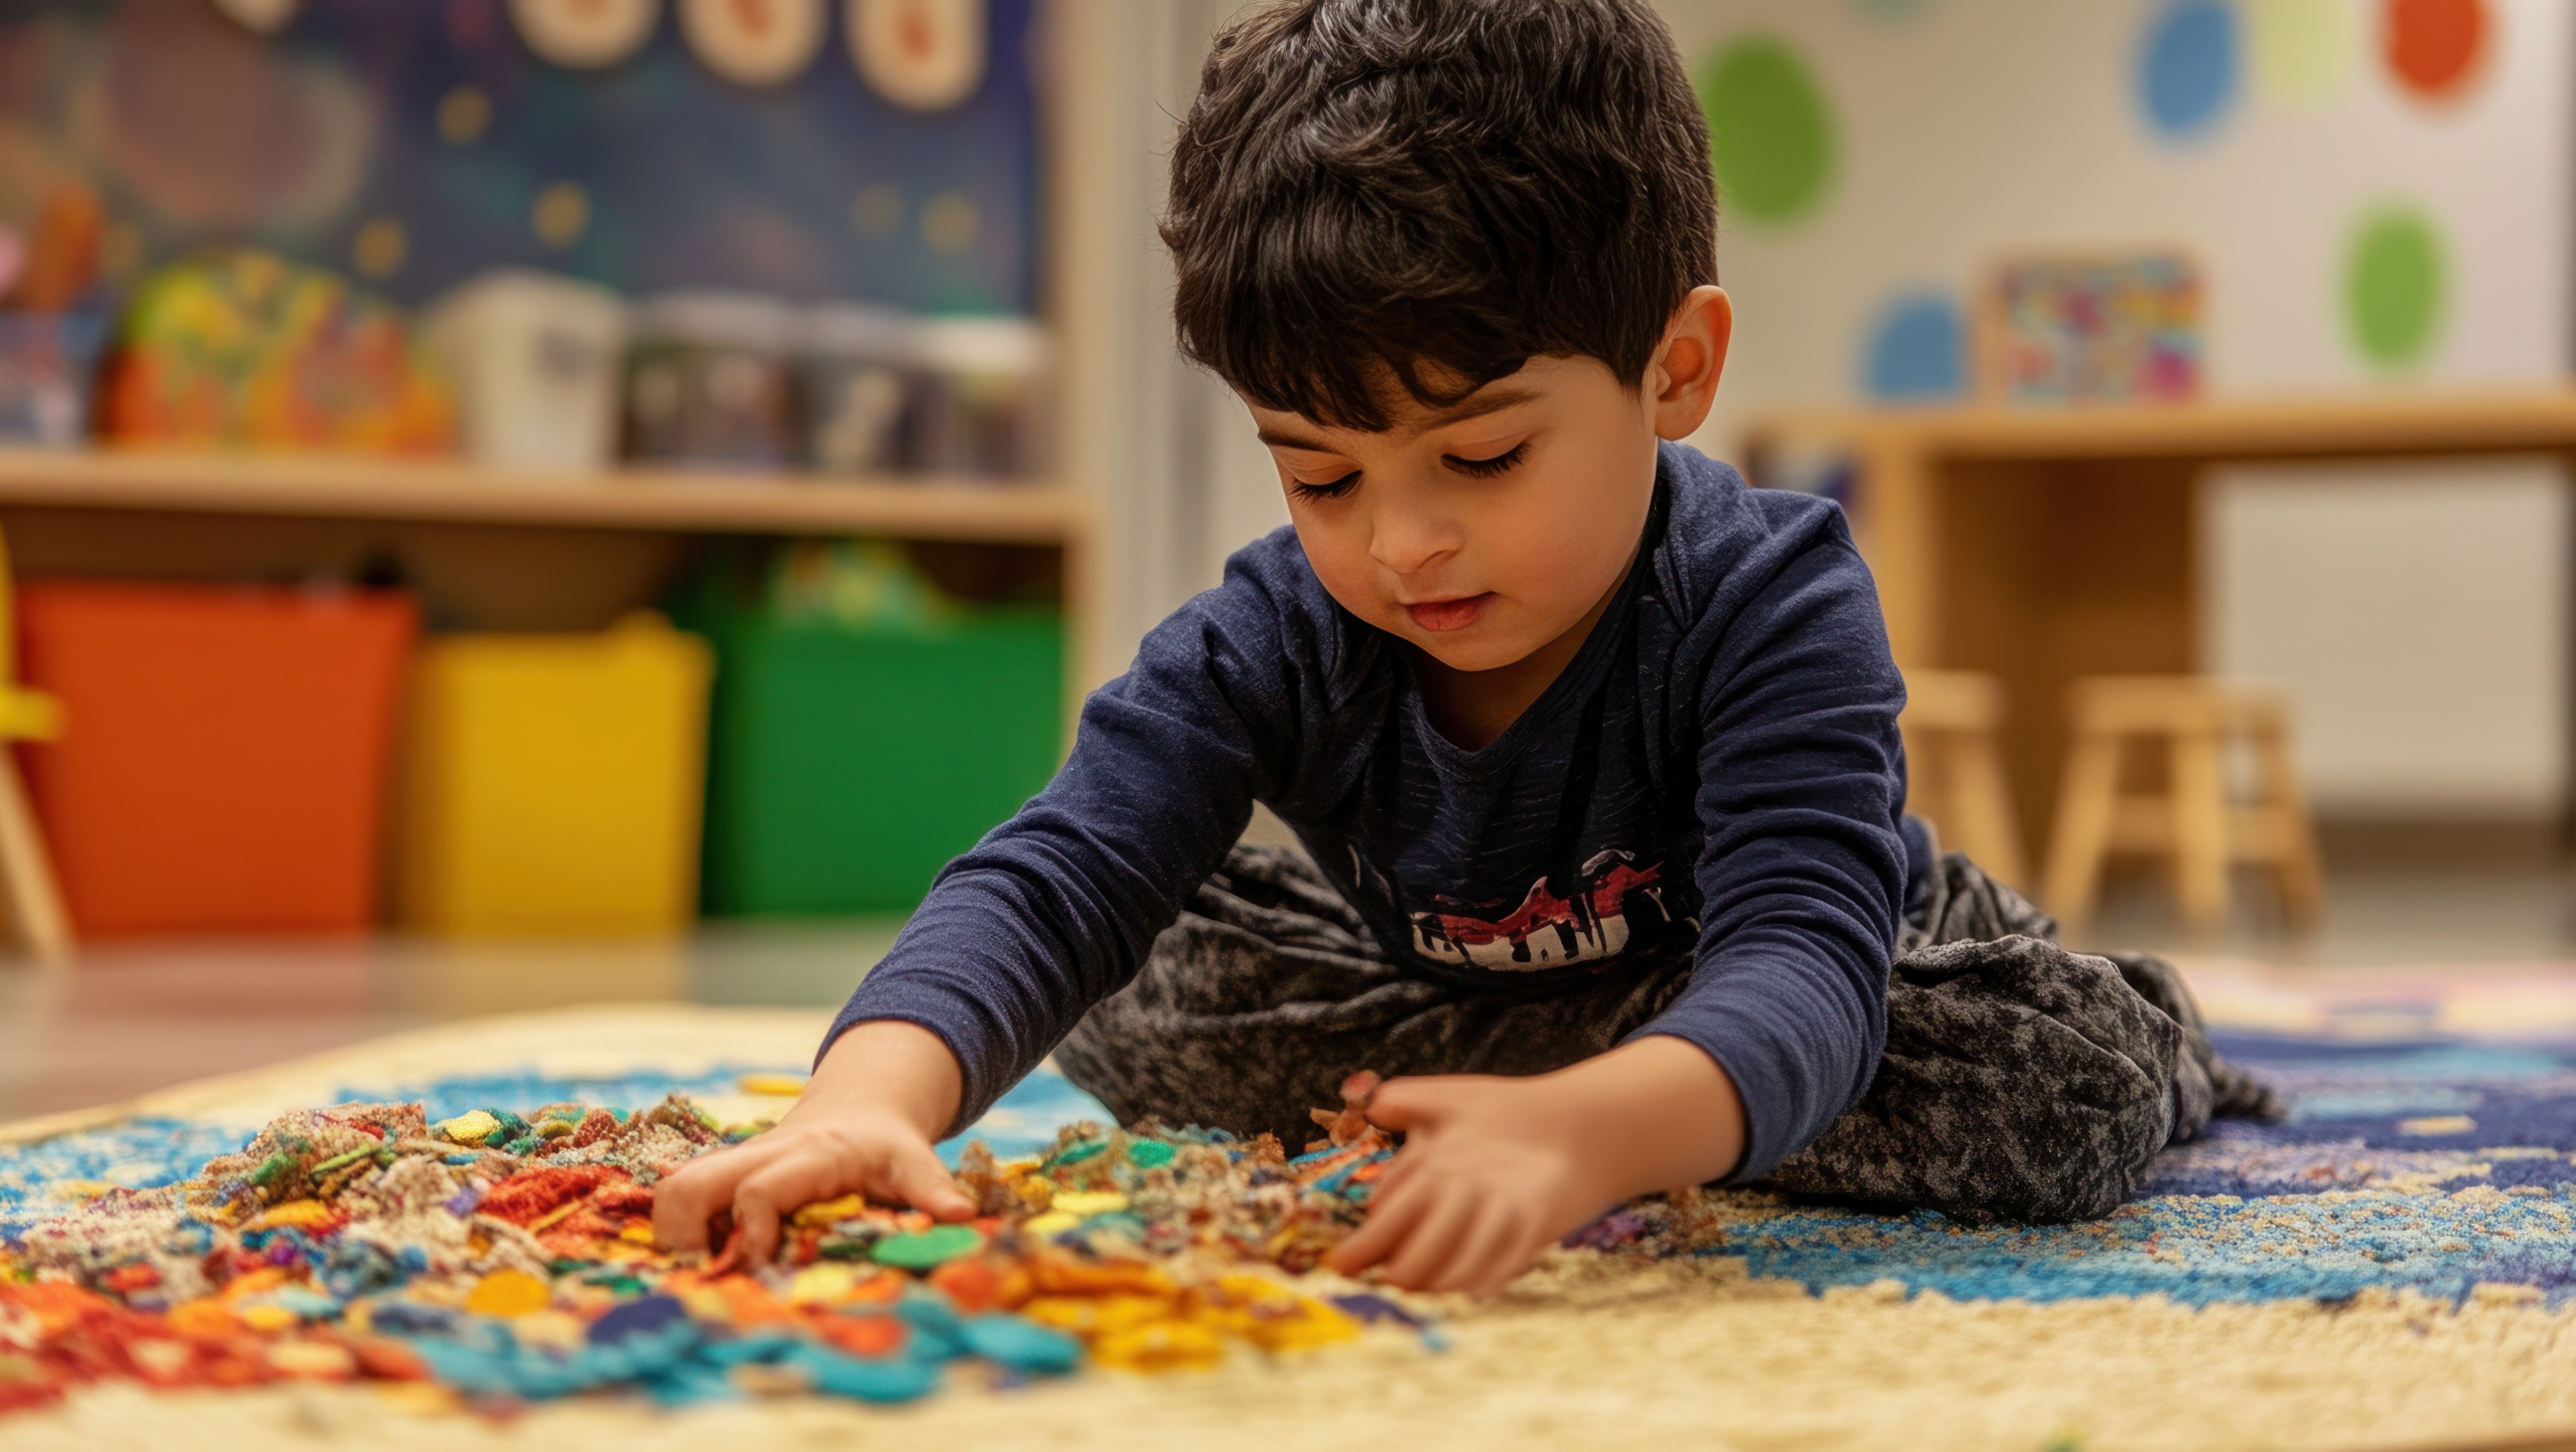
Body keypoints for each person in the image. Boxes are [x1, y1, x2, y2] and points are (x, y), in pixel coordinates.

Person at [654, 0, 2278, 1295]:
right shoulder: (1277, 633)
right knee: (1146, 973)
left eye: (1483, 458)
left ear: (1676, 370)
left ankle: (1607, 1103)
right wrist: (860, 1106)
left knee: (2056, 1090)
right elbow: (1057, 870)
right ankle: (1552, 1100)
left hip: (1821, 975)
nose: (1400, 544)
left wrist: (1592, 1134)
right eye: (1320, 475)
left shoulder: (1772, 595)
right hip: (1437, 992)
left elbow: (1803, 959)